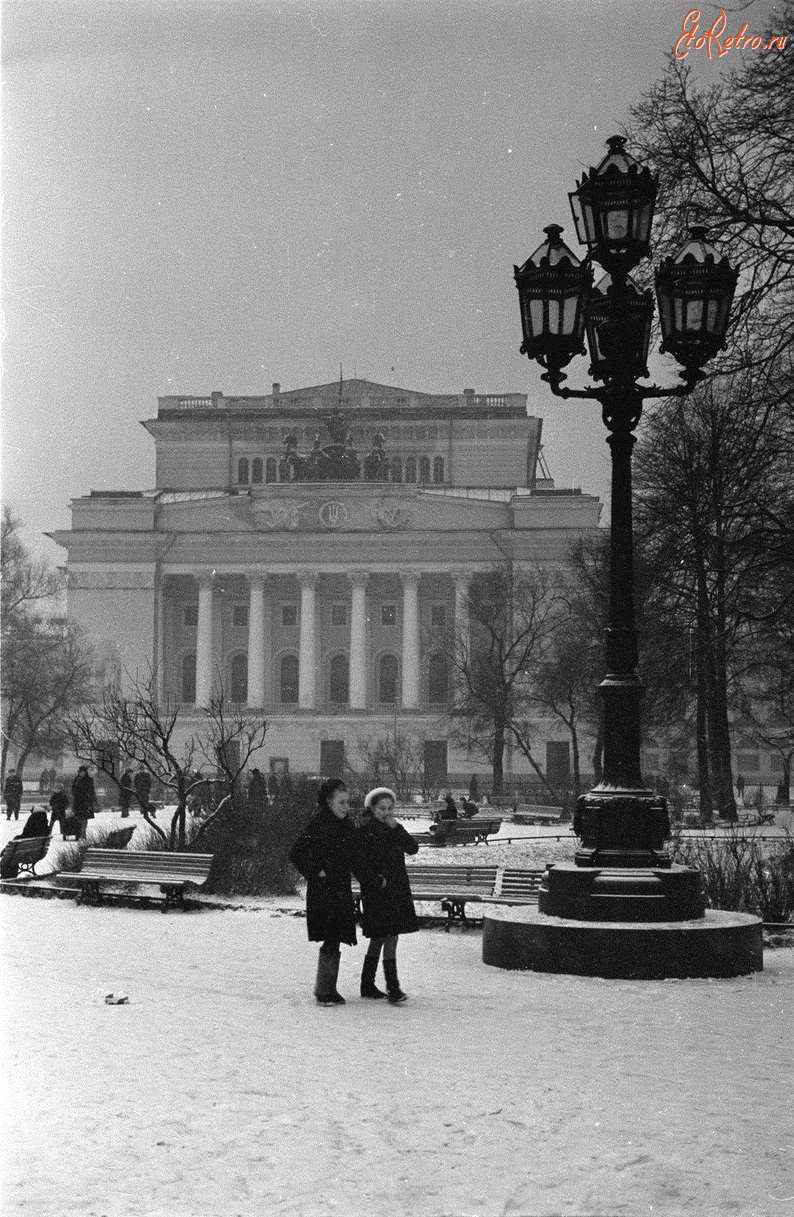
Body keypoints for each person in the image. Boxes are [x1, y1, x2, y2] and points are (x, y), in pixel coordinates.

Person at [289, 778, 367, 1007]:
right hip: (324, 890)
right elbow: (297, 853)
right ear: (328, 803)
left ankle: (328, 988)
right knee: (331, 935)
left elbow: (354, 856)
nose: (346, 806)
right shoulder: (319, 824)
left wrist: (366, 879)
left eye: (348, 802)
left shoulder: (347, 826)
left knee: (337, 936)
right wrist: (316, 872)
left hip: (341, 887)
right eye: (341, 802)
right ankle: (324, 989)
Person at [355, 786, 419, 1004]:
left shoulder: (394, 829)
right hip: (378, 892)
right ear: (372, 808)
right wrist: (375, 880)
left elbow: (413, 848)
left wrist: (398, 828)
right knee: (384, 935)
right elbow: (361, 864)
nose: (386, 812)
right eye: (382, 808)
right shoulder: (365, 832)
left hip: (396, 890)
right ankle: (386, 986)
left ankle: (377, 984)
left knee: (387, 936)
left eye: (390, 808)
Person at [71, 766, 98, 839]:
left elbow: (91, 790)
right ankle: (79, 833)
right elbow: (73, 789)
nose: (81, 774)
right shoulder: (76, 779)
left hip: (86, 801)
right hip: (78, 801)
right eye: (80, 772)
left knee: (84, 818)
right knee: (79, 818)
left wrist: (94, 800)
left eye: (83, 772)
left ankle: (83, 833)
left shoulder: (89, 780)